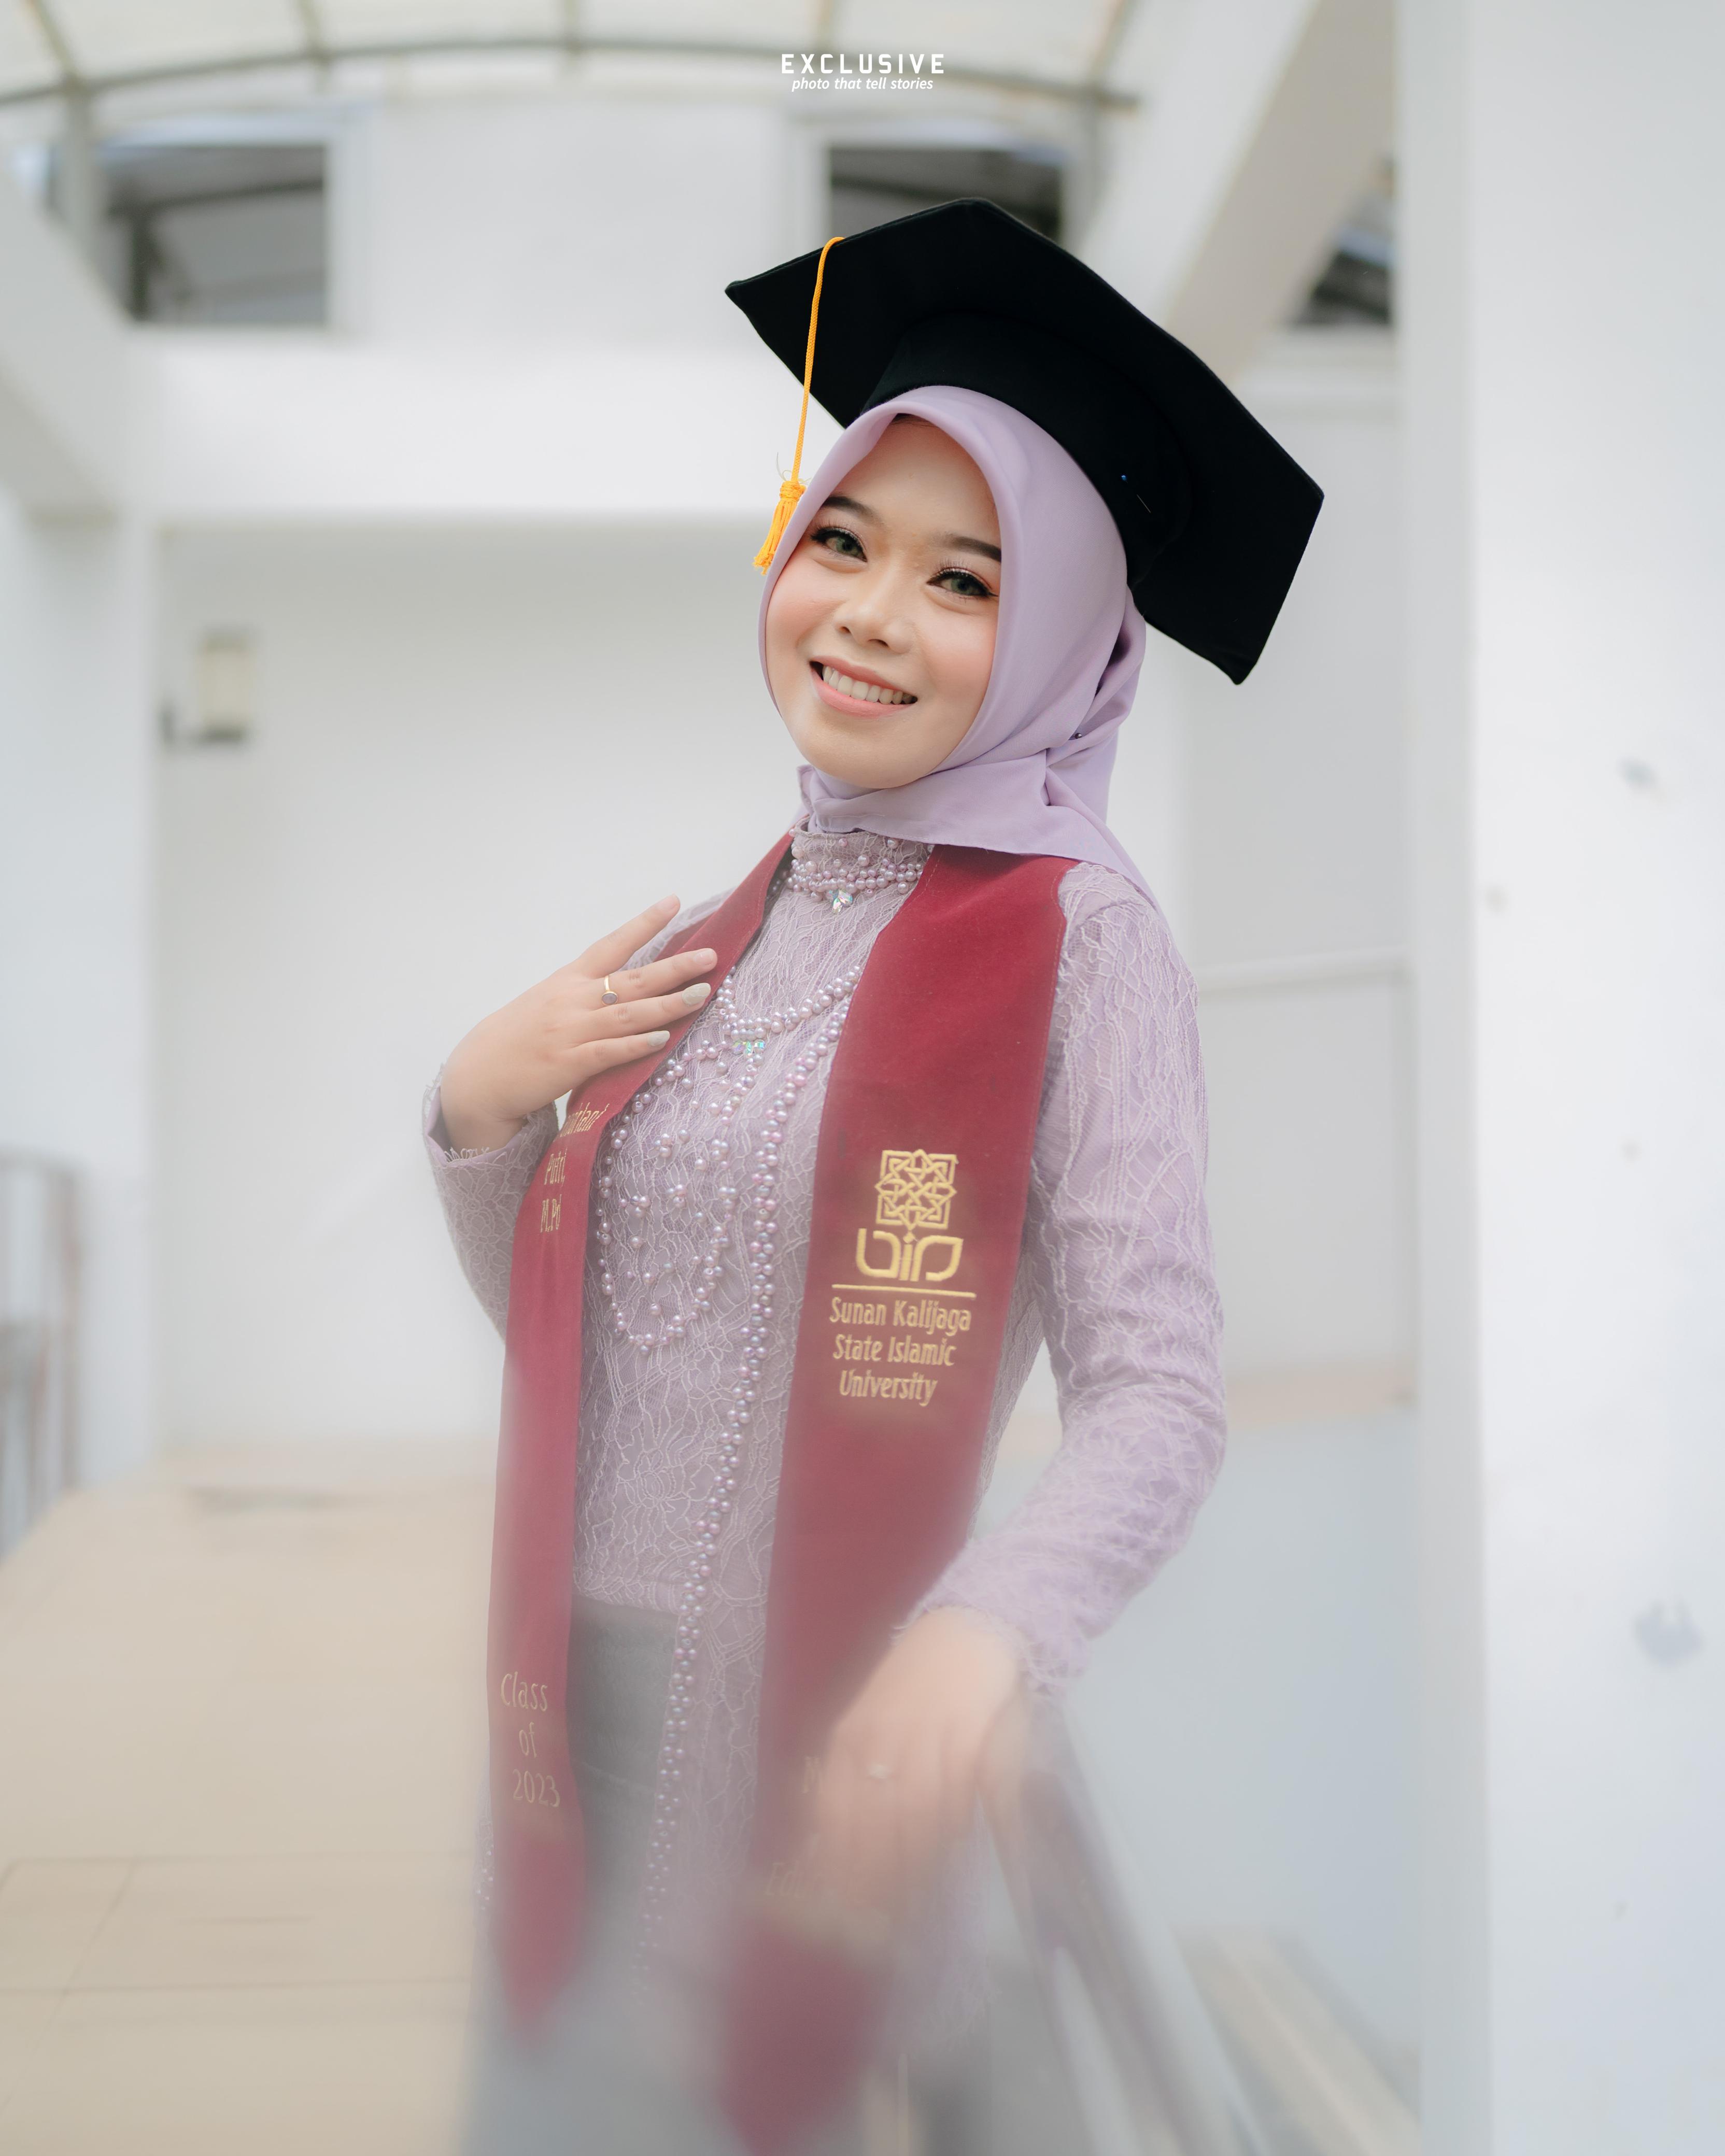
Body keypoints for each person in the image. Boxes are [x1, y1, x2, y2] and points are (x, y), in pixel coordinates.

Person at [423, 201, 1322, 2155]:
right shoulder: (730, 922)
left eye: (964, 579)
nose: (869, 613)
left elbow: (1159, 1397)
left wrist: (991, 1630)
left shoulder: (1081, 942)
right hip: (573, 1740)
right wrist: (482, 1120)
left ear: (1066, 632)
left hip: (829, 1754)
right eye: (843, 540)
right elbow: (599, 1355)